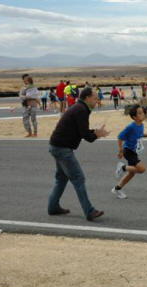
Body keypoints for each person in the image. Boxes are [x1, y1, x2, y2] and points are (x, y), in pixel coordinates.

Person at [48, 87, 109, 221]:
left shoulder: (79, 108)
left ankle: (53, 207)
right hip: (62, 148)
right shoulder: (81, 110)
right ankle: (89, 211)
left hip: (56, 145)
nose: (96, 100)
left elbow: (83, 131)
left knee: (61, 178)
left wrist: (94, 133)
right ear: (87, 98)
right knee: (78, 178)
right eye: (94, 98)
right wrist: (96, 135)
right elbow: (85, 134)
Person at [112, 104, 147, 199]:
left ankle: (117, 189)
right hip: (128, 150)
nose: (143, 114)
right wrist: (120, 151)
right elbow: (119, 137)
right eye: (140, 113)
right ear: (134, 117)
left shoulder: (141, 125)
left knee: (132, 173)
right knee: (142, 169)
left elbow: (139, 135)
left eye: (143, 112)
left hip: (134, 151)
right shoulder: (131, 127)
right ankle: (123, 167)